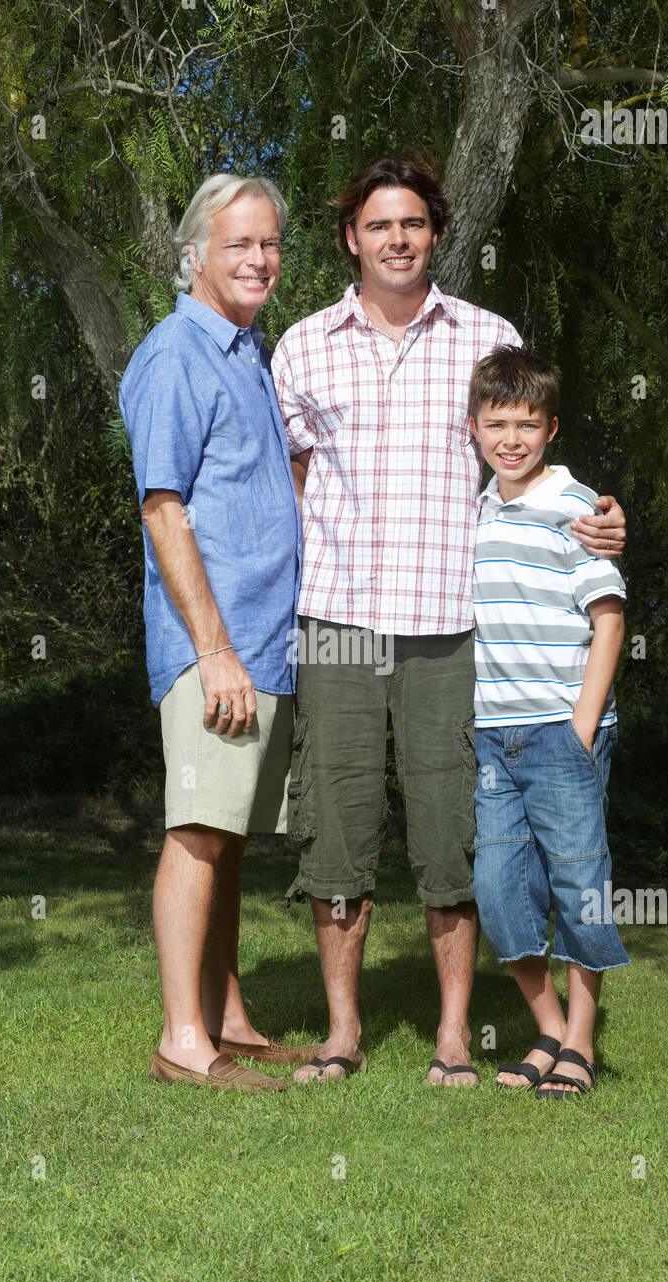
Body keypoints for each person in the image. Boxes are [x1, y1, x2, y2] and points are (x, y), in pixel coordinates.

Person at [271, 155, 627, 1086]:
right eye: (380, 226)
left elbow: (524, 466)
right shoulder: (303, 346)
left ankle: (455, 1038)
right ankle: (344, 1034)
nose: (398, 240)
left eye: (415, 225)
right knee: (338, 835)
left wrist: (597, 522)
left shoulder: (485, 336)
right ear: (352, 238)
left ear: (436, 234)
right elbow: (293, 477)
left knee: (448, 836)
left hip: (449, 626)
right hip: (339, 624)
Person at [118, 173, 316, 1093]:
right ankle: (181, 1043)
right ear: (194, 253)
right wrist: (216, 649)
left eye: (271, 244)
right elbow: (164, 512)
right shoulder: (176, 355)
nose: (260, 260)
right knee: (198, 830)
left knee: (228, 833)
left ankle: (228, 1020)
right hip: (217, 649)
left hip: (262, 644)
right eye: (240, 244)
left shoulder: (247, 351)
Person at [468, 345, 630, 1096]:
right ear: (473, 428)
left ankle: (582, 1045)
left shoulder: (576, 507)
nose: (510, 439)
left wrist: (581, 728)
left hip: (562, 731)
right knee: (500, 892)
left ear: (551, 429)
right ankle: (549, 1029)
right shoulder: (479, 507)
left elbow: (610, 619)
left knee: (577, 885)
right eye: (496, 424)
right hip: (494, 738)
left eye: (525, 425)